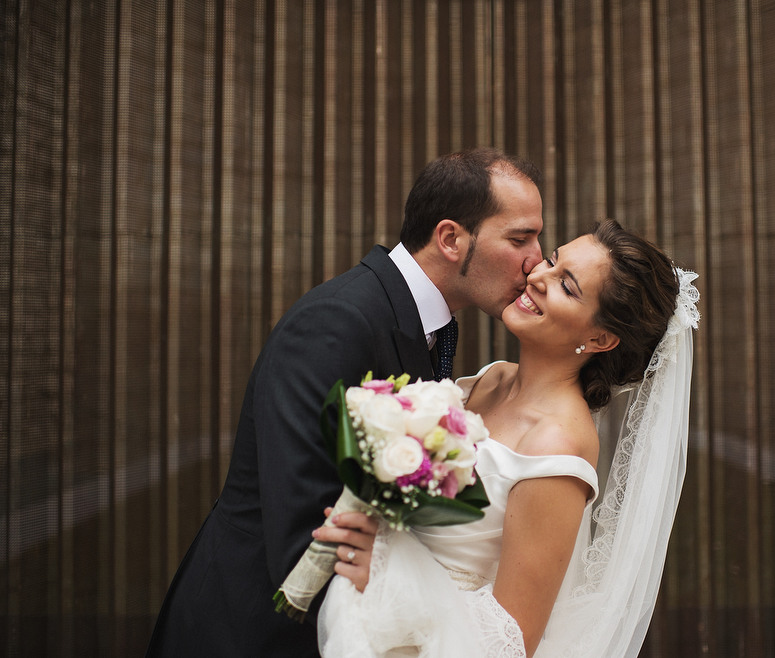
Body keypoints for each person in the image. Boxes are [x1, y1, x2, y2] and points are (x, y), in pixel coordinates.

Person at [145, 148, 545, 657]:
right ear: (450, 239)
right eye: (520, 238)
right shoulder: (336, 323)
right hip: (253, 631)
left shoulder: (427, 323)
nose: (536, 260)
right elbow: (303, 531)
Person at [317, 219, 700, 656]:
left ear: (599, 338)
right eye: (552, 261)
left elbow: (511, 637)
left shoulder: (558, 445)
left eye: (566, 286)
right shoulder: (491, 379)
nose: (536, 276)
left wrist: (384, 575)